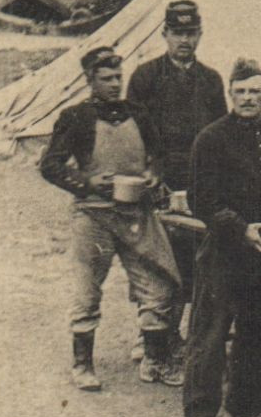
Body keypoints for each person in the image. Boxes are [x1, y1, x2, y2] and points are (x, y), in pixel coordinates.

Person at [40, 46, 182, 391]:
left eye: (118, 77)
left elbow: (160, 154)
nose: (115, 84)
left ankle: (154, 360)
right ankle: (82, 365)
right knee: (87, 291)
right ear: (90, 80)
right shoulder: (75, 117)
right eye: (106, 79)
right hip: (94, 216)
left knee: (159, 286)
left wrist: (154, 175)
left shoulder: (139, 113)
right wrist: (86, 183)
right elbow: (50, 165)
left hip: (136, 214)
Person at [182, 59, 261, 417]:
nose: (248, 99)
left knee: (260, 333)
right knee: (211, 334)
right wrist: (241, 228)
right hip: (225, 254)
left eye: (255, 92)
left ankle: (245, 407)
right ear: (230, 95)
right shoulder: (211, 139)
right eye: (241, 92)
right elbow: (202, 200)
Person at [126, 0, 226, 356]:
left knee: (191, 257)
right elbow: (133, 133)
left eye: (191, 33)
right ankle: (148, 332)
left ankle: (173, 333)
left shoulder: (211, 81)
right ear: (164, 34)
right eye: (177, 33)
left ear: (199, 35)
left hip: (197, 181)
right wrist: (151, 175)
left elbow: (220, 134)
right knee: (154, 257)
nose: (184, 40)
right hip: (158, 181)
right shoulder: (145, 77)